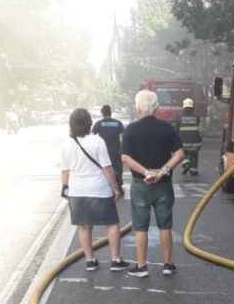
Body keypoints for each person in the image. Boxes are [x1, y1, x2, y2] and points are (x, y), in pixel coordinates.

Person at [121, 89, 185, 277]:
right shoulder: (167, 128)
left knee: (141, 226)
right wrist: (163, 170)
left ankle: (141, 266)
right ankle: (168, 264)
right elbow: (180, 153)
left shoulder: (131, 129)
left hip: (140, 184)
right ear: (156, 107)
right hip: (163, 183)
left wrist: (146, 172)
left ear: (138, 107)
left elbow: (125, 157)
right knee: (165, 224)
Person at [60, 108, 130, 272]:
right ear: (89, 123)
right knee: (111, 224)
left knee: (84, 226)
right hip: (99, 190)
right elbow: (107, 167)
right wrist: (115, 187)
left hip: (77, 191)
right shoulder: (97, 141)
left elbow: (64, 171)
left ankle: (90, 261)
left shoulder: (66, 144)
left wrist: (65, 189)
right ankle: (115, 260)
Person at [92, 104, 125, 190]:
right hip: (116, 151)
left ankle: (108, 186)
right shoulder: (118, 123)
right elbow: (123, 137)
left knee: (105, 168)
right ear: (111, 112)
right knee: (118, 169)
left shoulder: (99, 123)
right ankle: (119, 186)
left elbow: (92, 136)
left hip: (103, 152)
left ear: (102, 113)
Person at [176, 97, 202, 176]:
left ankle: (186, 163)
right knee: (194, 155)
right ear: (192, 107)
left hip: (183, 142)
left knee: (183, 153)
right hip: (195, 142)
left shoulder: (179, 117)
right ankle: (194, 170)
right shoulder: (197, 117)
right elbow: (199, 129)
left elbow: (176, 130)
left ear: (183, 107)